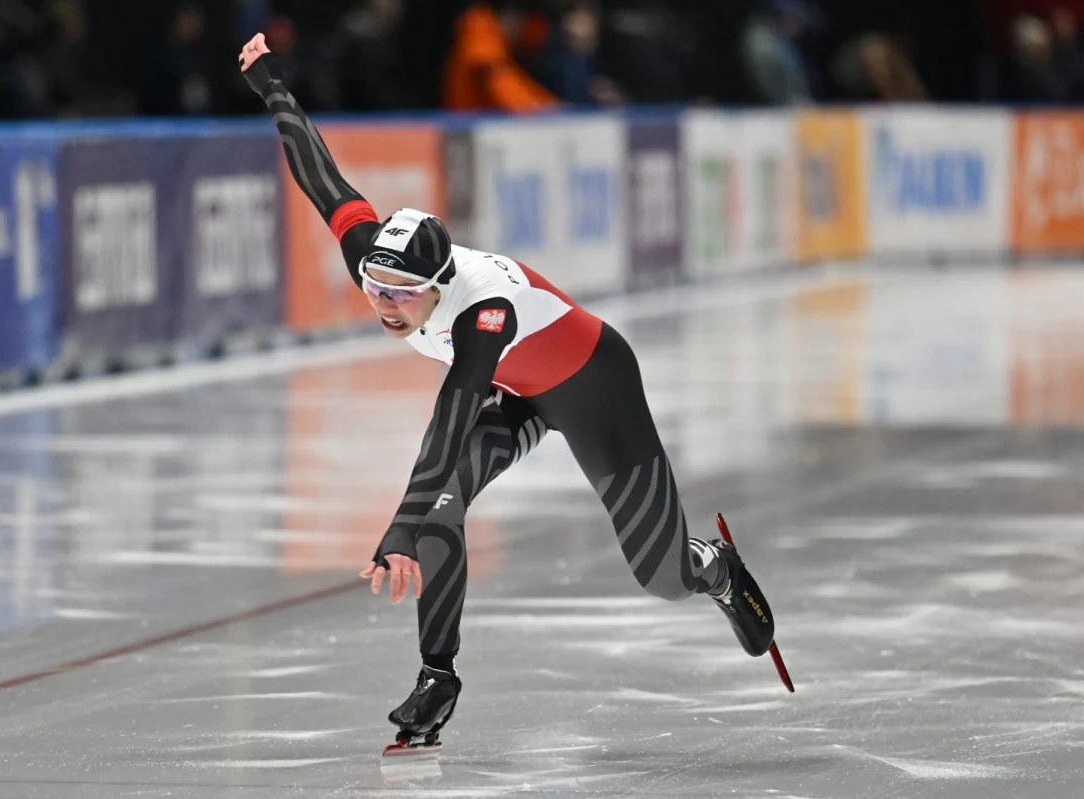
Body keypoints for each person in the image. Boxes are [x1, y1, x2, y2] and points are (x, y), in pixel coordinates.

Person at [237, 32, 791, 753]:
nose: (384, 305)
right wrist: (274, 88)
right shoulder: (378, 265)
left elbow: (456, 406)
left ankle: (712, 565)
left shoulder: (483, 307)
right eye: (375, 286)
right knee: (442, 508)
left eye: (401, 295)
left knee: (660, 575)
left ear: (438, 287)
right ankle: (438, 675)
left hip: (593, 387)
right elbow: (325, 183)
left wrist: (397, 521)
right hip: (517, 389)